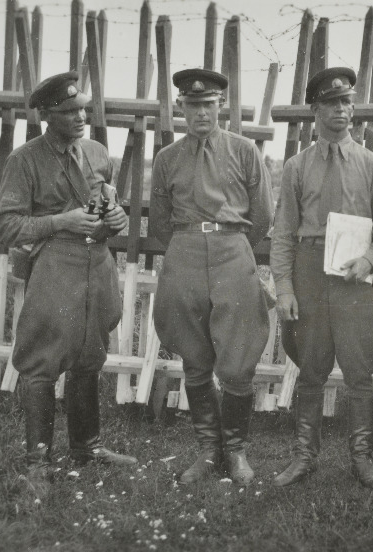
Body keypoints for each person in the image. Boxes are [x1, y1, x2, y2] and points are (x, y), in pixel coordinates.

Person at [0, 71, 137, 496]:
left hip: (98, 263)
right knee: (41, 361)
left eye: (82, 109)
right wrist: (61, 221)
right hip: (55, 264)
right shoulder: (25, 160)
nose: (79, 117)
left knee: (89, 355)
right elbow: (4, 226)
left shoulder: (96, 152)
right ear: (47, 115)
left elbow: (107, 205)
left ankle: (86, 448)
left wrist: (117, 218)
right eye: (68, 111)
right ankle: (37, 462)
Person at [150, 68, 273, 486]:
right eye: (192, 105)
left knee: (238, 362)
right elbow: (160, 223)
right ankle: (208, 451)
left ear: (221, 104)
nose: (201, 112)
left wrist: (231, 243)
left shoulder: (244, 151)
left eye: (208, 104)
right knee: (195, 357)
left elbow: (263, 216)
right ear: (181, 107)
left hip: (232, 250)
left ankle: (235, 451)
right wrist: (188, 245)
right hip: (183, 251)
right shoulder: (167, 158)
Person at [270, 67, 373, 489]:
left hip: (354, 276)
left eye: (347, 102)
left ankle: (362, 459)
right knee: (311, 367)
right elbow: (284, 231)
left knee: (359, 371)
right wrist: (284, 287)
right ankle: (305, 456)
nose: (341, 110)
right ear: (315, 110)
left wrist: (372, 259)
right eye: (331, 103)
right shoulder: (297, 166)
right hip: (309, 271)